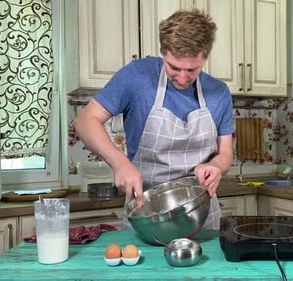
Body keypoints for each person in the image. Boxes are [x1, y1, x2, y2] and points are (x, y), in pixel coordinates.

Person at [75, 9, 234, 230]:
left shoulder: (219, 92)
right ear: (163, 53)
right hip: (145, 211)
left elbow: (225, 153)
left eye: (192, 70)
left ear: (205, 57)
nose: (181, 78)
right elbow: (85, 120)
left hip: (201, 213)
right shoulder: (136, 77)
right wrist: (120, 163)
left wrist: (215, 166)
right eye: (174, 67)